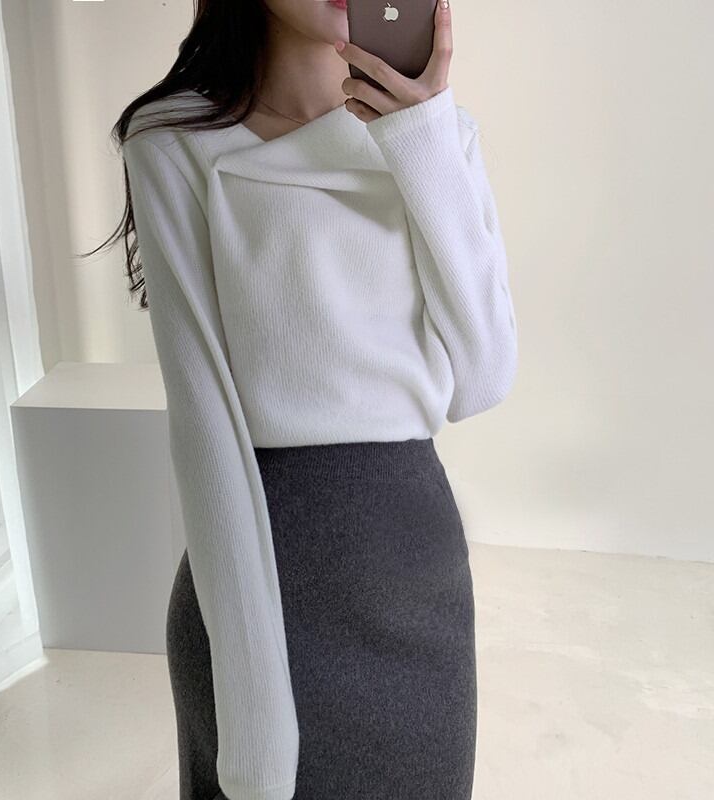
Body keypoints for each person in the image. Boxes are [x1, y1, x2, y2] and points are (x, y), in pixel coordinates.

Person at [90, 1, 517, 798]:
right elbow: (204, 427)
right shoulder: (174, 140)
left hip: (415, 573)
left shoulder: (440, 136)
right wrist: (255, 715)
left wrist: (420, 134)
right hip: (263, 575)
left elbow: (485, 374)